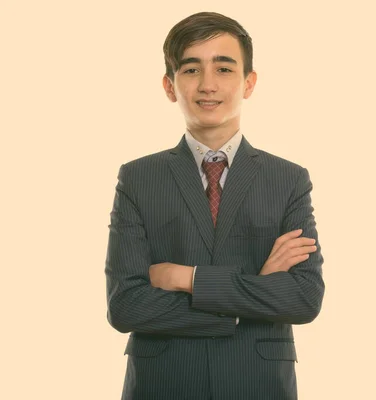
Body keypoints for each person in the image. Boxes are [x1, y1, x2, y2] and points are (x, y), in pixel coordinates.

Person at [104, 11, 325, 400]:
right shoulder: (138, 178)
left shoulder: (288, 179)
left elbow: (303, 298)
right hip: (164, 384)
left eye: (224, 68)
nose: (208, 85)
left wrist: (184, 278)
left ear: (249, 82)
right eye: (191, 70)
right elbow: (125, 306)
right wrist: (254, 292)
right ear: (170, 86)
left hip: (257, 385)